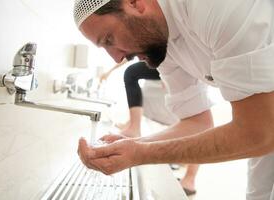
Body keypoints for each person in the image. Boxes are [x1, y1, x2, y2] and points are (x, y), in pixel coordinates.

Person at [74, 1, 274, 200]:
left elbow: (260, 133)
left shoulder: (213, 6)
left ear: (135, 3)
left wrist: (142, 153)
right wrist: (134, 144)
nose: (117, 59)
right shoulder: (159, 40)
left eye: (109, 39)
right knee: (259, 195)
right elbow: (197, 123)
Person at [100, 60, 199, 195]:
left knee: (196, 124)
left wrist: (167, 72)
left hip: (184, 68)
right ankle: (133, 125)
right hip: (169, 71)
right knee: (133, 75)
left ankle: (190, 178)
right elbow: (128, 56)